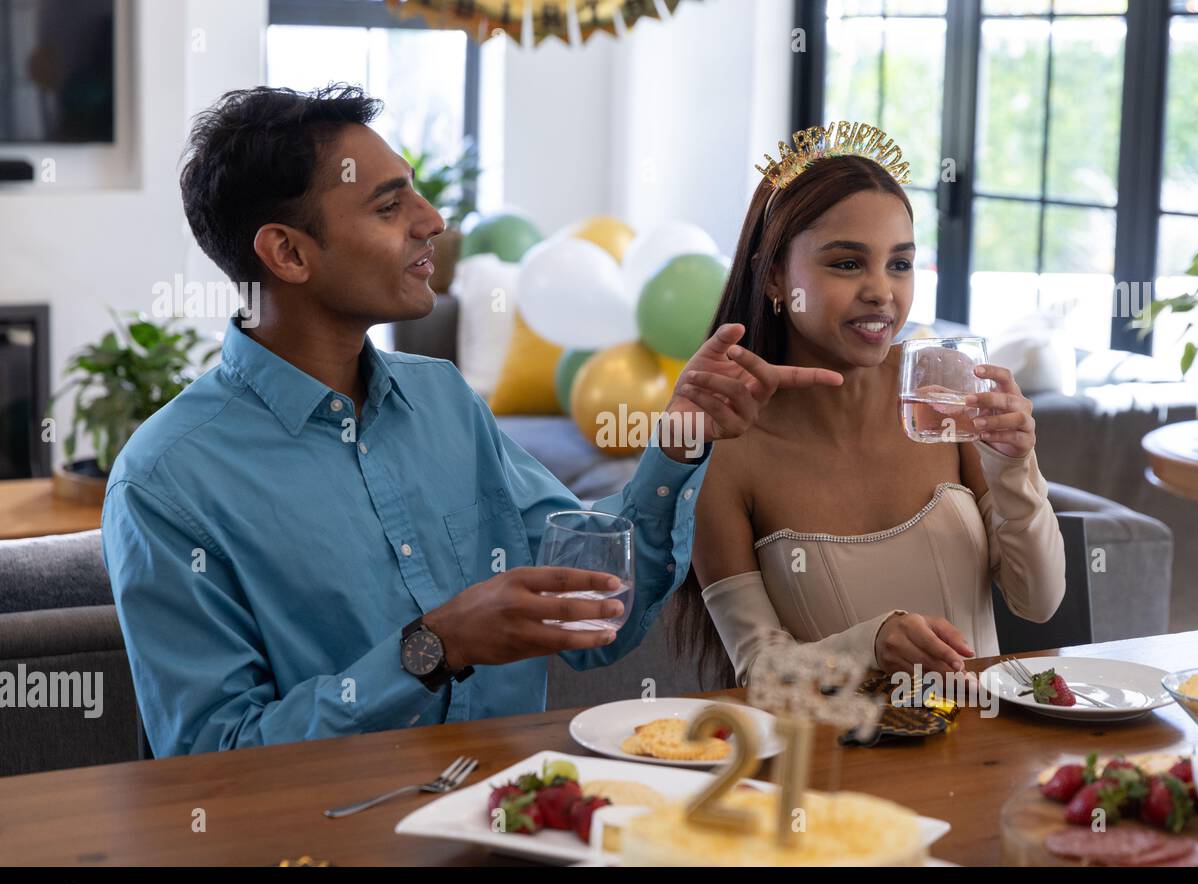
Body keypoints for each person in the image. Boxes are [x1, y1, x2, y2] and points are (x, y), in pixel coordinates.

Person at [100, 85, 843, 756]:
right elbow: (211, 763)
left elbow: (592, 612)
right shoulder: (166, 480)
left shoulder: (444, 399)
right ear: (287, 252)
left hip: (515, 823)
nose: (432, 221)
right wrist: (435, 645)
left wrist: (682, 438)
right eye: (390, 207)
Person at [669, 126, 1066, 689]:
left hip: (983, 748)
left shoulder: (942, 393)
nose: (883, 291)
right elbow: (758, 668)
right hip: (834, 763)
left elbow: (1039, 602)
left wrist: (1015, 466)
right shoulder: (727, 449)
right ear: (777, 276)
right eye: (848, 264)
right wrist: (870, 644)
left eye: (899, 265)